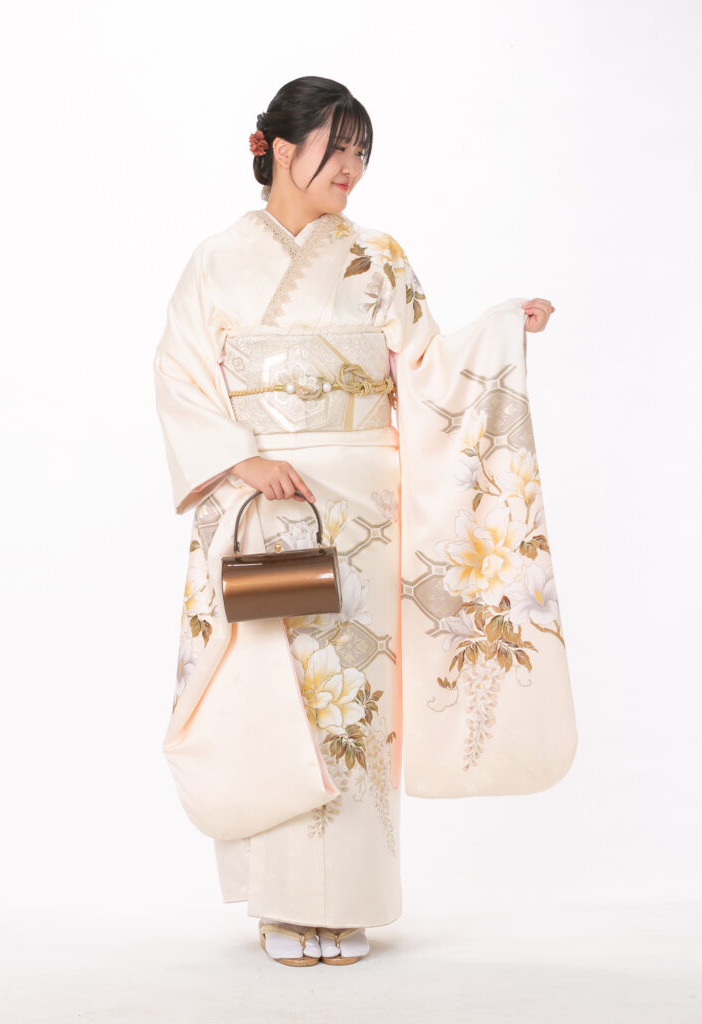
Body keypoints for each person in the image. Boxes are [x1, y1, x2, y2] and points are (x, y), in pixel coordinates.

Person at [153, 76, 573, 967]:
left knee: (356, 701)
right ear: (275, 146)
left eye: (361, 152)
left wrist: (503, 328)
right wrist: (241, 460)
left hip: (363, 517)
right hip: (267, 508)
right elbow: (180, 376)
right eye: (335, 148)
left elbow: (428, 369)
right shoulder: (216, 260)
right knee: (276, 693)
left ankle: (343, 903)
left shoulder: (376, 256)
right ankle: (281, 902)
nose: (351, 168)